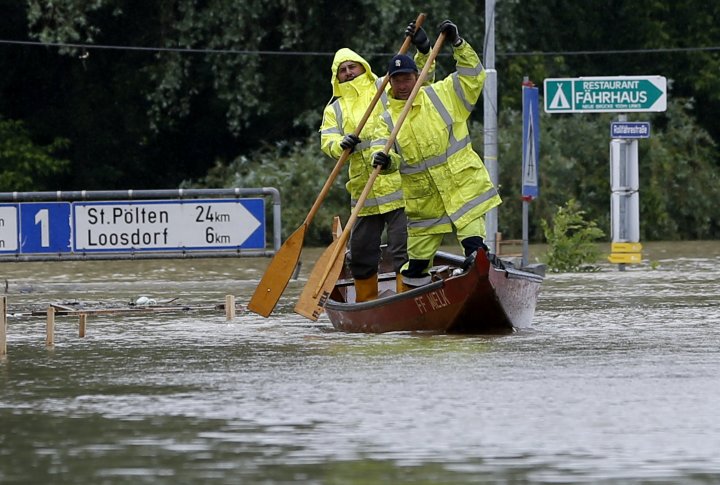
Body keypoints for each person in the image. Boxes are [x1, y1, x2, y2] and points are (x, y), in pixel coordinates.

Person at [371, 20, 502, 290]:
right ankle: (416, 307)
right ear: (390, 84)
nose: (403, 85)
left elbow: (473, 76)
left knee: (475, 249)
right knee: (416, 266)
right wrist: (383, 162)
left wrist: (458, 43)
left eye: (408, 78)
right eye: (397, 80)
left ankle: (481, 283)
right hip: (425, 205)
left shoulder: (441, 94)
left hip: (463, 188)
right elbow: (384, 151)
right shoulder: (387, 119)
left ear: (417, 76)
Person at [319, 22, 434, 302]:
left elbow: (417, 79)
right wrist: (341, 144)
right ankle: (366, 306)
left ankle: (407, 300)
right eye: (342, 69)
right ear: (337, 76)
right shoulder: (333, 108)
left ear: (362, 67)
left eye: (352, 67)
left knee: (402, 250)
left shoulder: (384, 88)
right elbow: (327, 142)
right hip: (364, 193)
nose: (348, 72)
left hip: (397, 186)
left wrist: (422, 48)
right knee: (360, 254)